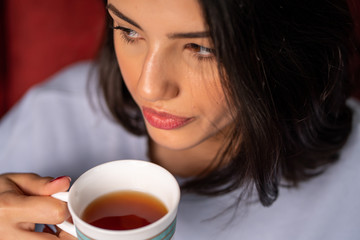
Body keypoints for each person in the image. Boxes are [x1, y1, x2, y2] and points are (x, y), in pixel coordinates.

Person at [0, 0, 359, 239]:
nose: (149, 87)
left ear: (285, 49)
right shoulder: (51, 115)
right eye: (129, 31)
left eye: (201, 48)